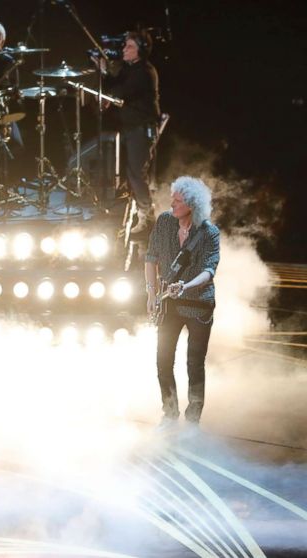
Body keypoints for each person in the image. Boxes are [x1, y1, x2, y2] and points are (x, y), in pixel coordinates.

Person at [145, 177, 220, 433]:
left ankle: (192, 421)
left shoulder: (209, 233)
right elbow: (150, 258)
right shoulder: (165, 222)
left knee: (194, 363)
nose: (172, 204)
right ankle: (170, 412)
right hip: (170, 305)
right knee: (163, 360)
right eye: (173, 198)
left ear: (192, 204)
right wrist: (151, 292)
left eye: (177, 200)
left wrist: (185, 287)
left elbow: (209, 271)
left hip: (198, 305)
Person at [95, 31, 161, 234]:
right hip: (129, 128)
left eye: (130, 46)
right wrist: (104, 72)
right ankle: (135, 214)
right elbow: (114, 86)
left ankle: (147, 219)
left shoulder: (144, 72)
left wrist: (107, 74)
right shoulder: (129, 69)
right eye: (125, 46)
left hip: (141, 129)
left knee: (136, 174)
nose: (124, 49)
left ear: (141, 50)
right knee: (128, 174)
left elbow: (120, 91)